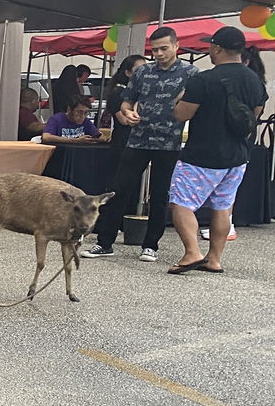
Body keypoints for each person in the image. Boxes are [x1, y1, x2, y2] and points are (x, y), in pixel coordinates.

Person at [83, 30, 192, 262]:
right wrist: (127, 112)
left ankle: (151, 245)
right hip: (138, 139)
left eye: (164, 48)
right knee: (120, 189)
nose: (159, 54)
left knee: (159, 194)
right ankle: (105, 242)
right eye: (155, 49)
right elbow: (127, 101)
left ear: (176, 46)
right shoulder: (143, 71)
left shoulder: (190, 73)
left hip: (169, 142)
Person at [165, 26, 265, 273]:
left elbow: (181, 115)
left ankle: (192, 252)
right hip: (237, 156)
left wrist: (178, 99)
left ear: (217, 48)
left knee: (181, 202)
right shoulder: (254, 79)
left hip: (202, 154)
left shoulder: (204, 80)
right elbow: (254, 115)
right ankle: (214, 259)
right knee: (222, 206)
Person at [100, 54, 144, 144]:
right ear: (128, 73)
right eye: (138, 69)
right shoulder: (118, 92)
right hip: (123, 140)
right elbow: (124, 120)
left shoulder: (137, 91)